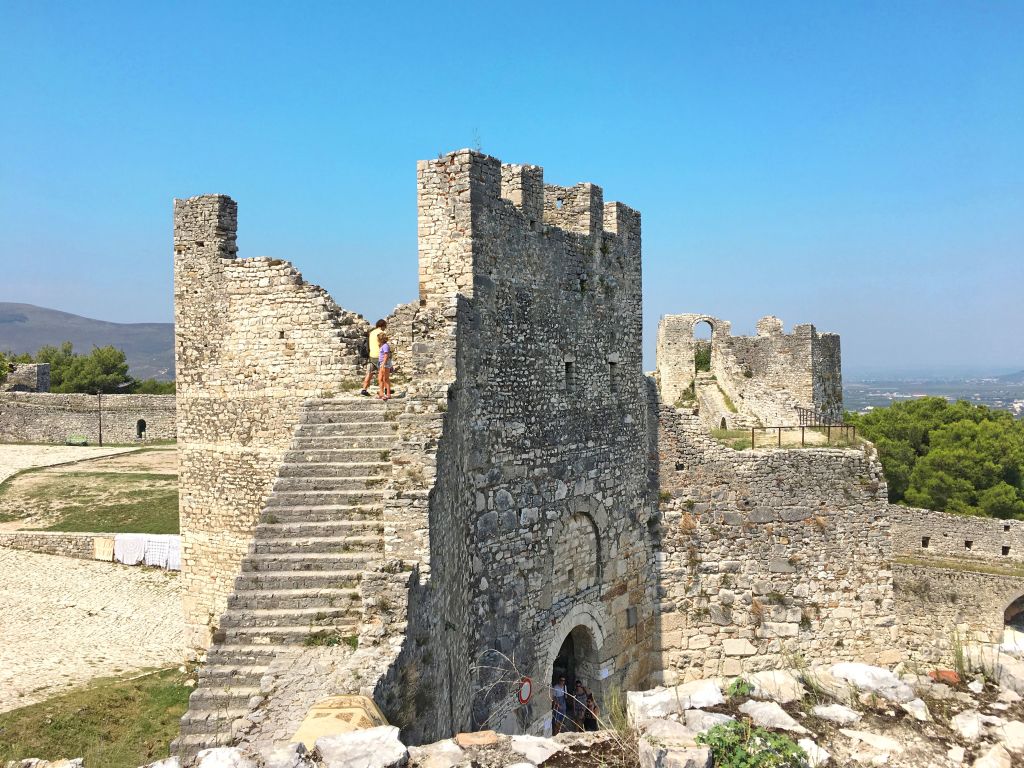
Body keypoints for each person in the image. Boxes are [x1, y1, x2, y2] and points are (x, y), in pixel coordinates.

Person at [360, 319, 387, 396]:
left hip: (371, 355)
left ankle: (364, 389)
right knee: (382, 373)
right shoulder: (382, 333)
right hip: (380, 356)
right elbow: (384, 345)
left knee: (369, 373)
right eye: (385, 326)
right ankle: (383, 390)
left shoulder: (371, 333)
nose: (385, 328)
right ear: (383, 326)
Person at [377, 333, 393, 400]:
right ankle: (381, 393)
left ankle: (388, 394)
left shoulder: (385, 346)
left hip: (385, 363)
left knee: (385, 379)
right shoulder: (383, 345)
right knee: (380, 378)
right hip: (382, 363)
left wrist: (383, 364)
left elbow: (386, 355)